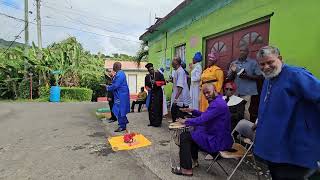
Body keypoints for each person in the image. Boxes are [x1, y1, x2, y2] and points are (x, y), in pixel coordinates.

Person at [254, 46, 320, 179]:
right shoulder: (269, 78)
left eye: (270, 62)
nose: (266, 67)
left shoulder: (296, 74)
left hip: (293, 147)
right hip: (274, 146)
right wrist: (260, 121)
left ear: (279, 59)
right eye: (262, 64)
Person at [171, 83, 233, 176]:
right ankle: (194, 161)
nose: (206, 95)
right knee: (193, 132)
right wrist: (192, 111)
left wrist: (186, 121)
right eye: (204, 93)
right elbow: (207, 115)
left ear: (215, 90)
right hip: (220, 137)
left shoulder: (217, 104)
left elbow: (202, 119)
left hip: (218, 141)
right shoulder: (218, 101)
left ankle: (186, 169)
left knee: (185, 136)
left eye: (208, 92)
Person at [227, 46, 262, 121]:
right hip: (236, 91)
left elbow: (260, 77)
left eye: (244, 51)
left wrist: (247, 76)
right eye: (241, 50)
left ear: (247, 52)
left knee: (245, 110)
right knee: (234, 109)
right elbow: (229, 78)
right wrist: (233, 72)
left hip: (247, 91)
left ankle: (246, 128)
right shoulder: (234, 63)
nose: (242, 52)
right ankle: (235, 126)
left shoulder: (253, 63)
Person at [103, 62, 130, 132]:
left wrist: (108, 87)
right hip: (120, 95)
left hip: (121, 95)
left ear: (117, 67)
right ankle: (123, 123)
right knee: (119, 110)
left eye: (114, 66)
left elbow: (116, 85)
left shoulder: (120, 75)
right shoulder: (119, 74)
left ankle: (122, 126)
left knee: (118, 110)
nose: (113, 67)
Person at [170, 57, 191, 122]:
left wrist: (175, 99)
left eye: (173, 61)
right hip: (178, 97)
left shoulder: (181, 72)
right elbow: (177, 83)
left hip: (180, 98)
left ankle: (179, 129)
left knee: (178, 115)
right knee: (175, 114)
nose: (172, 62)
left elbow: (180, 87)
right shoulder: (177, 71)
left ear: (176, 62)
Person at [145, 63, 166, 127]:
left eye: (152, 69)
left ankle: (157, 123)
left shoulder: (159, 74)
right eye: (150, 70)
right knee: (151, 108)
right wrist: (148, 89)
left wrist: (156, 82)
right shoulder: (147, 77)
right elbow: (146, 85)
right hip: (151, 93)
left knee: (157, 107)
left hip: (158, 93)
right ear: (148, 70)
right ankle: (152, 122)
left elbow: (164, 82)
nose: (151, 71)